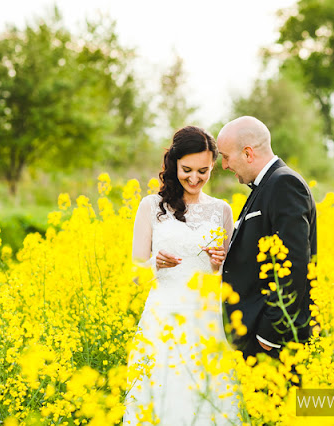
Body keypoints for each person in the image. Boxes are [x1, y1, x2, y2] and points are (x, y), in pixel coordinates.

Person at [123, 126, 240, 425]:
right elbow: (135, 274)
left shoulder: (221, 210)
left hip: (207, 319)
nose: (194, 178)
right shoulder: (151, 206)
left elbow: (223, 273)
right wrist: (155, 264)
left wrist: (219, 263)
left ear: (214, 166)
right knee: (162, 398)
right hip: (162, 318)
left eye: (204, 171)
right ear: (173, 165)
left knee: (206, 398)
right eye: (187, 169)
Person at [217, 116, 317, 360]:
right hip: (254, 336)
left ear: (248, 153)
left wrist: (269, 334)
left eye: (226, 156)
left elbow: (292, 264)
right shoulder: (264, 186)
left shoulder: (284, 184)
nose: (224, 165)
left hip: (274, 342)